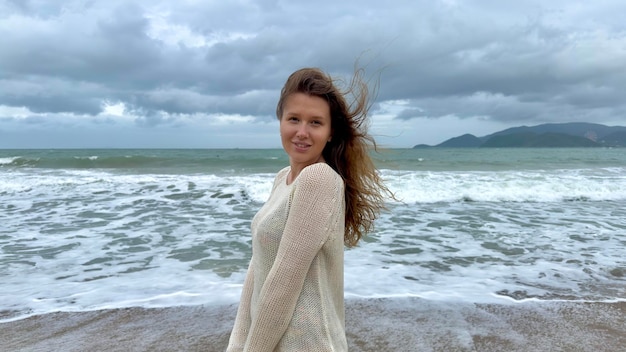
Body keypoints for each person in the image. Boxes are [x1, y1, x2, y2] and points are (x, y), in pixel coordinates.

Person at [226, 67, 390, 351]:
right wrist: (237, 343)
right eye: (294, 119)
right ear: (280, 122)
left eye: (315, 122)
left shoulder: (319, 179)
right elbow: (259, 268)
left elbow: (282, 285)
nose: (302, 132)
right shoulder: (283, 180)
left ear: (329, 133)